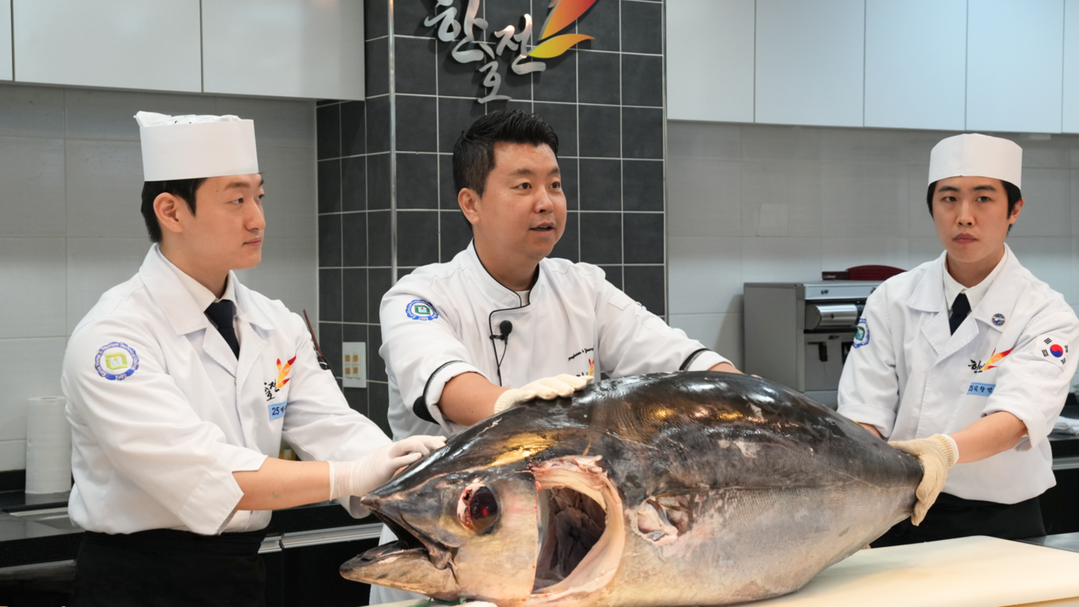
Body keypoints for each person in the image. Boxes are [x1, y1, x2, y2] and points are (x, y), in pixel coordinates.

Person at [61, 112, 444, 607]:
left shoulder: (274, 323)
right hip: (138, 583)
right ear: (172, 212)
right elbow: (203, 470)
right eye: (236, 200)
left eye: (259, 196)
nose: (258, 218)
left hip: (239, 575)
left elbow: (333, 427)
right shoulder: (114, 338)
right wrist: (346, 477)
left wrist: (420, 477)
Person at [371, 109, 739, 604]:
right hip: (446, 564)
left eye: (555, 185)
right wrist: (510, 404)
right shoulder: (419, 297)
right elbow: (450, 387)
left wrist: (739, 393)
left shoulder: (582, 287)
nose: (546, 202)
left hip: (565, 568)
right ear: (471, 204)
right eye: (523, 186)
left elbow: (681, 359)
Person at [837, 133, 1079, 547]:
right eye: (949, 199)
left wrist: (941, 452)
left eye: (983, 199)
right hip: (894, 515)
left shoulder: (1045, 312)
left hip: (1003, 524)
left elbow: (1017, 417)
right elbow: (865, 411)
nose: (964, 217)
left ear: (1014, 210)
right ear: (932, 207)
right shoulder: (892, 298)